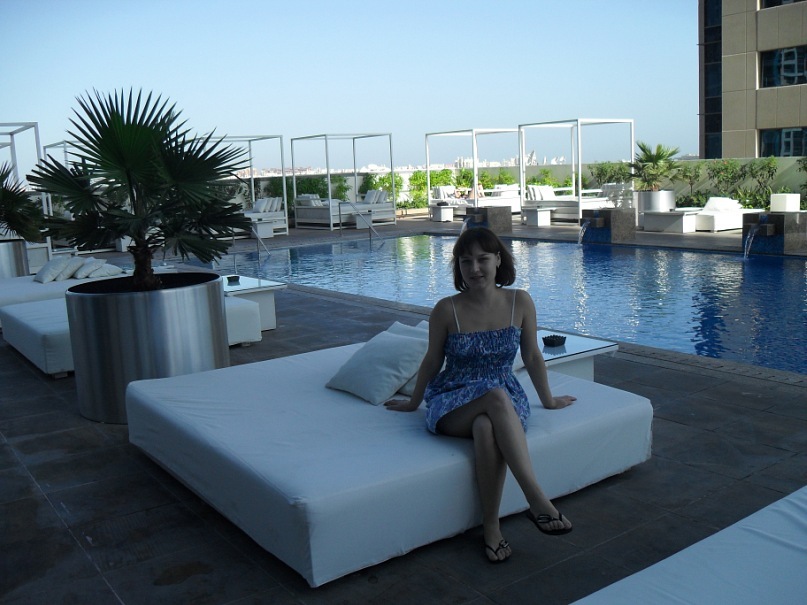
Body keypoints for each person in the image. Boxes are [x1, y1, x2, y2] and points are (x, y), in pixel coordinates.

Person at [385, 227, 575, 563]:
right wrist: (415, 402)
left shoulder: (520, 301)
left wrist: (548, 400)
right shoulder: (447, 309)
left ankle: (491, 528)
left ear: (498, 260)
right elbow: (432, 360)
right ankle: (536, 499)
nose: (474, 268)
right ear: (457, 267)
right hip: (453, 399)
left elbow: (532, 355)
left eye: (482, 259)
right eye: (465, 261)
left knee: (487, 426)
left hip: (503, 397)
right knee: (495, 397)